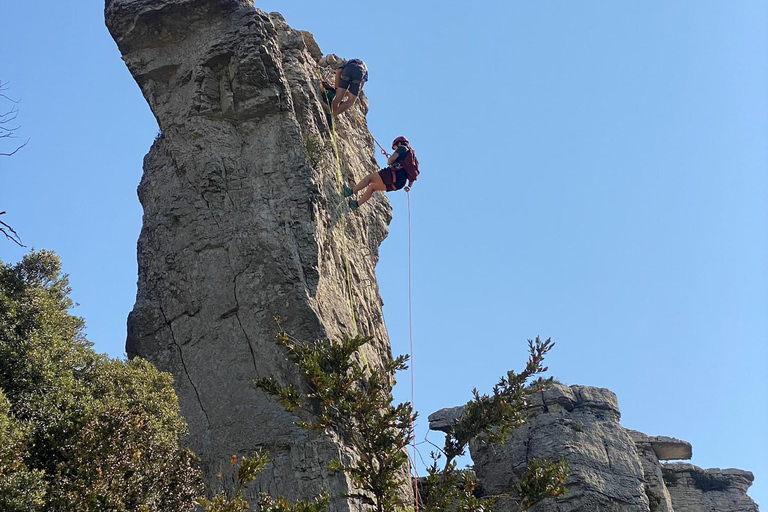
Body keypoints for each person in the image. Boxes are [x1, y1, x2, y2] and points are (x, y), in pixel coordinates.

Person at [343, 136, 419, 211]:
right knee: (372, 187)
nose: (395, 149)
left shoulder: (402, 148)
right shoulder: (411, 158)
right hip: (400, 184)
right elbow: (412, 174)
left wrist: (390, 160)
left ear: (399, 143)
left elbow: (390, 160)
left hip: (394, 174)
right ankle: (355, 205)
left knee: (370, 178)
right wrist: (409, 186)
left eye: (395, 147)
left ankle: (350, 191)